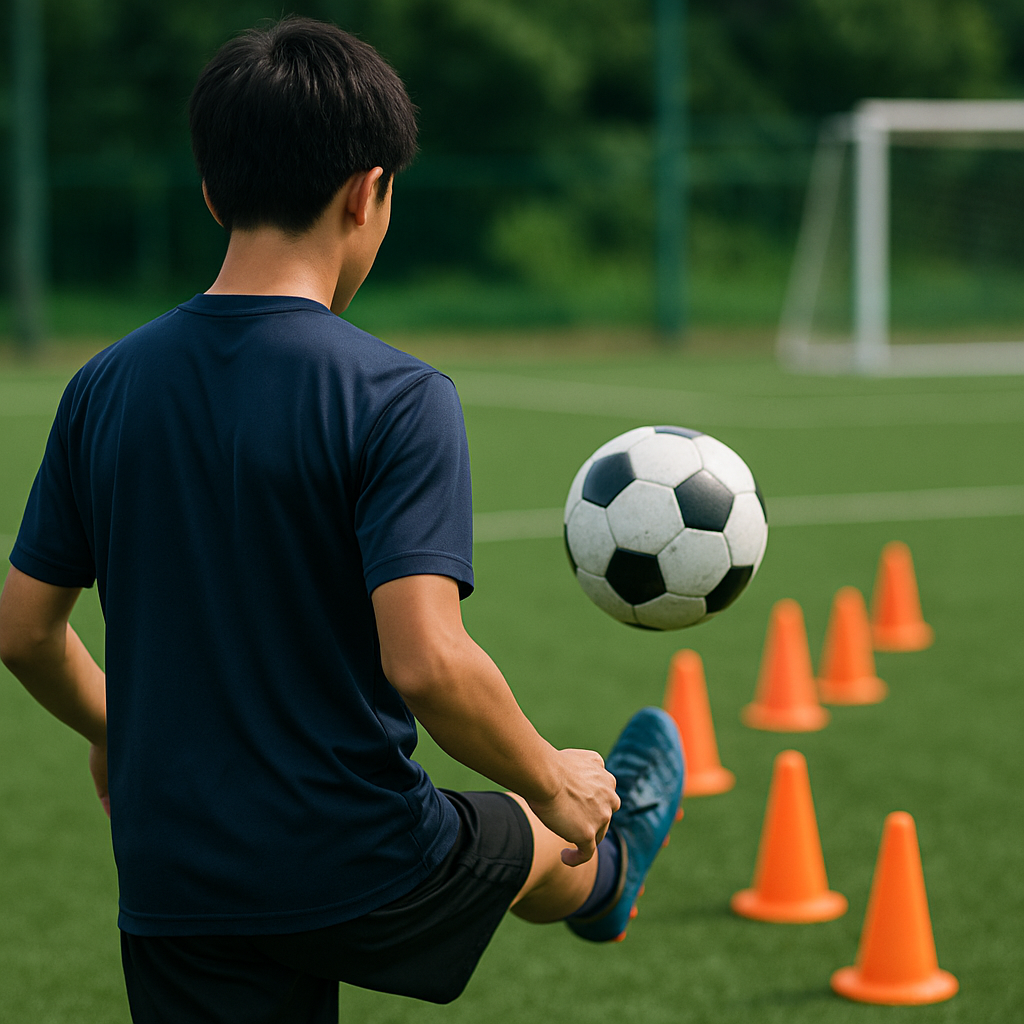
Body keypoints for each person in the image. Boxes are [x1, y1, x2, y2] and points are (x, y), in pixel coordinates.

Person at [0, 17, 684, 1024]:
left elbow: (22, 631)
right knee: (537, 829)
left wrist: (119, 726)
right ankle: (609, 862)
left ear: (210, 190)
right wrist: (551, 776)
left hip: (176, 877)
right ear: (367, 193)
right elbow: (428, 663)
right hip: (356, 857)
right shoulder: (395, 396)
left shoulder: (101, 386)